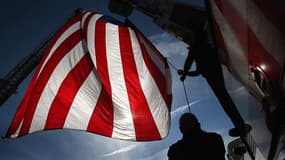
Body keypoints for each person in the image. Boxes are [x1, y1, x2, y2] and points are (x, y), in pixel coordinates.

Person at [177, 29, 251, 137]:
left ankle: (240, 126)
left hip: (213, 75)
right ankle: (239, 124)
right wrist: (185, 73)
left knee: (225, 100)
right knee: (225, 100)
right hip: (214, 74)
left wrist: (184, 73)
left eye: (187, 39)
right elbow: (197, 72)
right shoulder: (201, 47)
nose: (188, 42)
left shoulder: (196, 48)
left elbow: (189, 61)